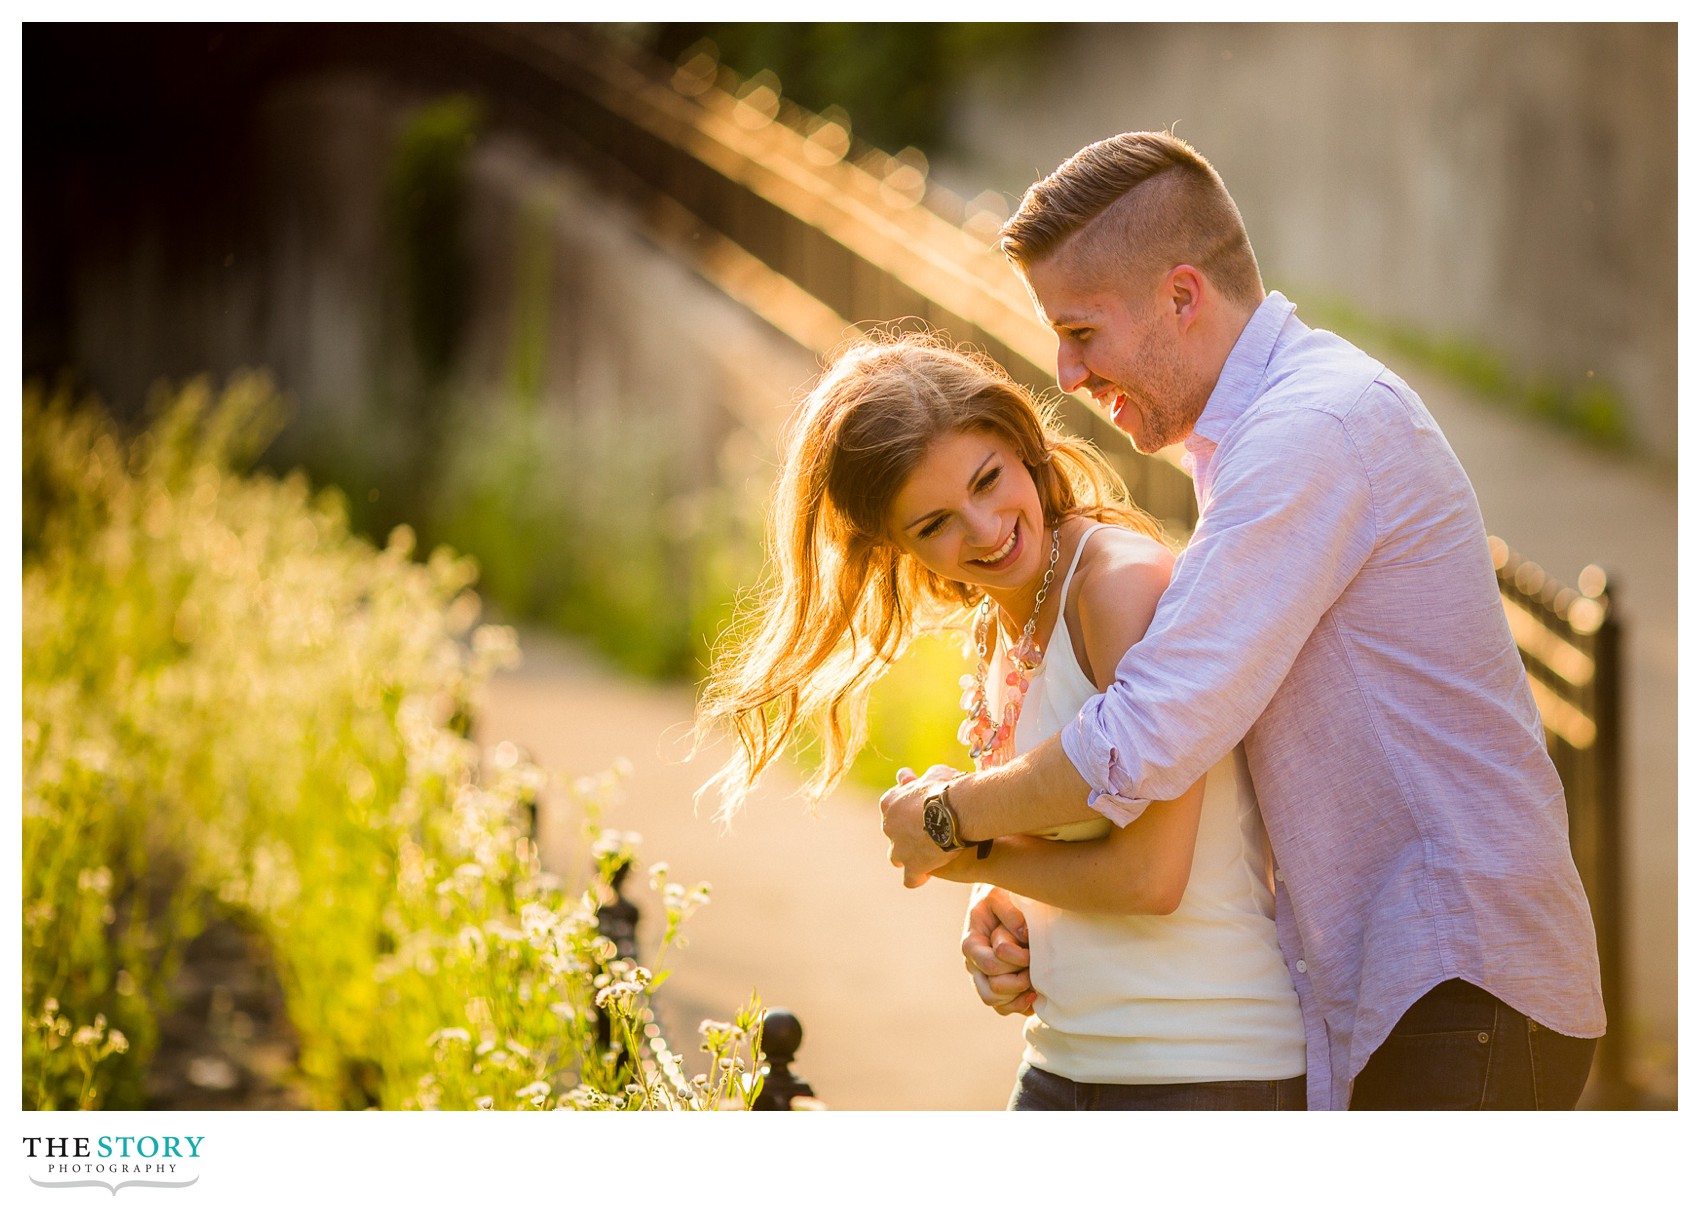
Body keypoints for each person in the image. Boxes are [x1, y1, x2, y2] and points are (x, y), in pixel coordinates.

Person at [878, 131, 1606, 1111]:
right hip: (1413, 988)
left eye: (1081, 331)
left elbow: (1143, 739)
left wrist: (946, 818)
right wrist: (996, 884)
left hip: (1459, 983)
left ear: (1181, 296)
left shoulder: (1309, 434)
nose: (1065, 372)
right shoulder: (1253, 440)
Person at [695, 331, 1307, 1109]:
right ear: (896, 547)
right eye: (934, 525)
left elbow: (1151, 877)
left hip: (1208, 1072)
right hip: (1064, 1063)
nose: (983, 530)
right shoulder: (999, 627)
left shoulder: (1116, 586)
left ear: (1024, 446)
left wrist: (962, 849)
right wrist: (1002, 921)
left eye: (988, 480)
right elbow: (1062, 837)